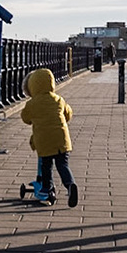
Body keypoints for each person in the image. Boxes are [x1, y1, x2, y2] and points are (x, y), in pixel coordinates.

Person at [19, 67, 78, 207]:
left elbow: (25, 118)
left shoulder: (32, 104)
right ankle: (70, 185)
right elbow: (68, 113)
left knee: (46, 166)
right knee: (63, 165)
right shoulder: (58, 99)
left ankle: (47, 188)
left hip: (44, 142)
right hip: (62, 140)